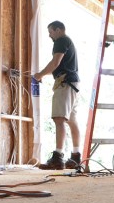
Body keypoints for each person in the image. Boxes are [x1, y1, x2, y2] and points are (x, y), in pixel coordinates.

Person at [33, 20, 81, 170]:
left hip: (65, 83)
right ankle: (75, 157)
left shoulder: (61, 41)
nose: (49, 35)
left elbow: (55, 62)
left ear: (58, 30)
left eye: (51, 32)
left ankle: (58, 158)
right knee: (72, 120)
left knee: (59, 119)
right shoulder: (68, 41)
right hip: (73, 84)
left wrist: (39, 75)